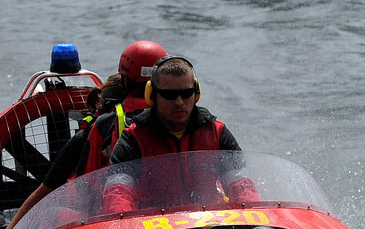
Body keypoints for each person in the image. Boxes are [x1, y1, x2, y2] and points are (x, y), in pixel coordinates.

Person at [0, 41, 164, 229]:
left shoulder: (101, 126)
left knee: (49, 212)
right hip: (169, 218)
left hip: (112, 225)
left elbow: (73, 187)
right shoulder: (183, 120)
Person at [101, 55, 257, 213]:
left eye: (187, 93)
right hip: (151, 228)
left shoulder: (217, 132)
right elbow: (118, 192)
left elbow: (242, 186)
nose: (179, 102)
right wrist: (122, 225)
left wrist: (252, 215)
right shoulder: (133, 138)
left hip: (209, 222)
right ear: (152, 95)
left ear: (196, 93)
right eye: (169, 95)